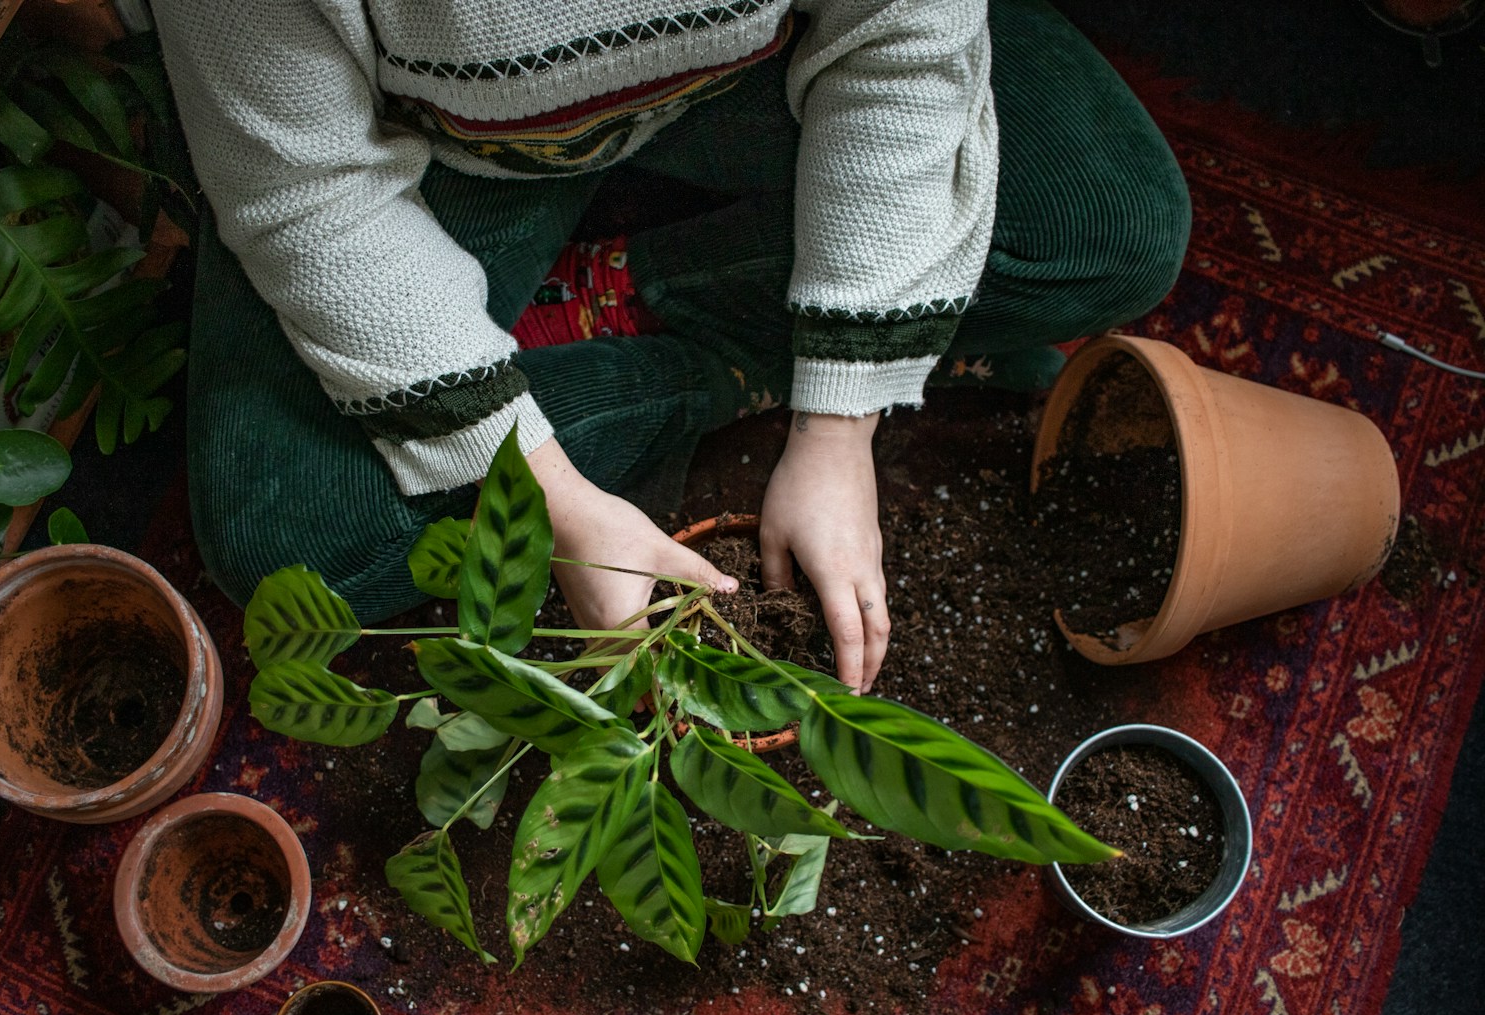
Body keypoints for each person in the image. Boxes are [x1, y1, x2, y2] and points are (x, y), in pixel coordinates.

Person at [149, 0, 1189, 693]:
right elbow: (304, 191)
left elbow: (900, 40)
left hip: (747, 77)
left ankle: (622, 299)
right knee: (289, 537)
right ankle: (703, 331)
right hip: (437, 143)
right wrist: (552, 500)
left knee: (1110, 228)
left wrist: (839, 426)